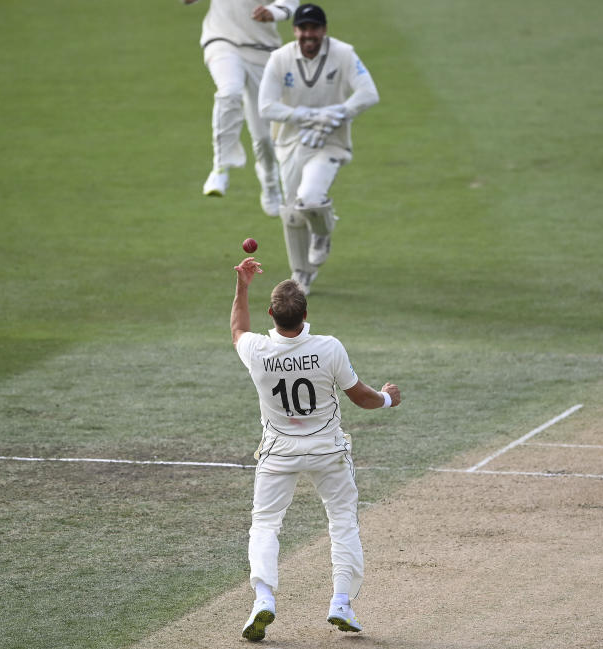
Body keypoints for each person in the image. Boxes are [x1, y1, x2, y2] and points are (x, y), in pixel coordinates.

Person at [230, 256, 401, 641]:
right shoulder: (329, 348)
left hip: (278, 452)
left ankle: (263, 600)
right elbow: (362, 398)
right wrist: (389, 399)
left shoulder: (257, 349)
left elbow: (238, 328)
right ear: (305, 314)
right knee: (342, 522)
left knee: (265, 525)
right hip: (328, 451)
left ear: (271, 313)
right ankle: (341, 602)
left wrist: (242, 285)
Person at [258, 3, 379, 295]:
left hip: (329, 141)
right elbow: (266, 106)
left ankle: (323, 233)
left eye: (314, 28)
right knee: (291, 212)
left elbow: (368, 93)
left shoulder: (343, 53)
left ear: (324, 30)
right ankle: (301, 273)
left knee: (310, 199)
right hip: (290, 142)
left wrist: (339, 112)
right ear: (295, 30)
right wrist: (306, 116)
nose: (308, 34)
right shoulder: (280, 59)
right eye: (303, 28)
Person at [184, 0, 299, 213]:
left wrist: (272, 12)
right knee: (229, 91)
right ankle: (220, 168)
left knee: (264, 137)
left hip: (262, 51)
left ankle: (270, 181)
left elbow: (290, 4)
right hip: (221, 40)